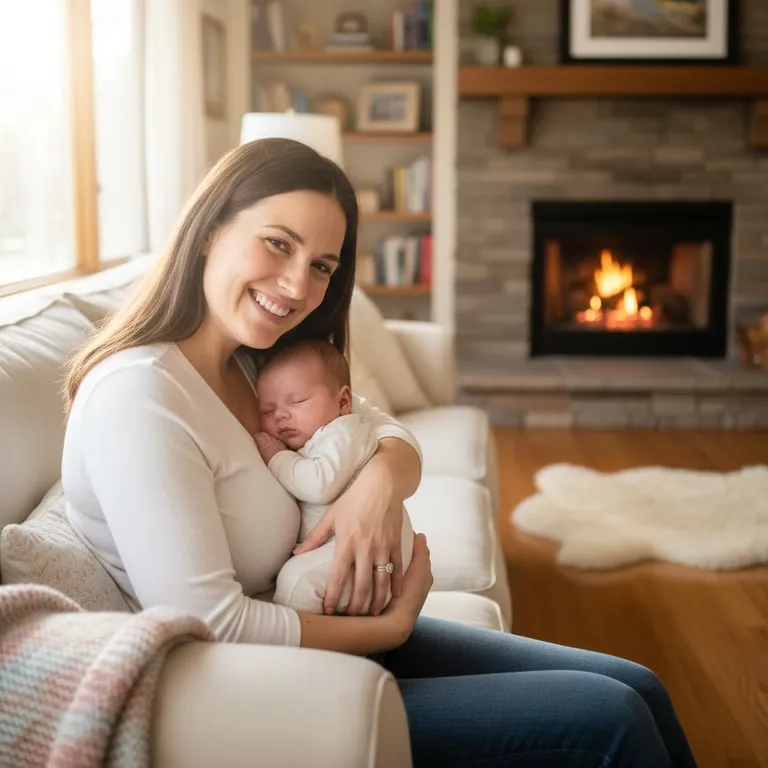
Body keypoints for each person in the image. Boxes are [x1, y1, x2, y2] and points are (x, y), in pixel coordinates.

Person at [61, 138, 698, 767]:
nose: (297, 285)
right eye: (279, 243)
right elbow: (212, 623)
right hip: (252, 692)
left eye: (322, 266)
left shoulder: (252, 365)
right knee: (614, 717)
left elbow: (383, 428)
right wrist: (388, 628)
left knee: (639, 684)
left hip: (323, 639)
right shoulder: (140, 395)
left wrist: (377, 485)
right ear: (208, 231)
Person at [252, 337, 414, 614]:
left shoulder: (343, 432)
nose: (280, 415)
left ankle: (292, 637)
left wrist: (277, 457)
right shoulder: (319, 435)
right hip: (343, 547)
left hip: (368, 550)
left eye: (298, 401)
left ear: (343, 401)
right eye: (268, 410)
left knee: (296, 582)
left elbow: (320, 485)